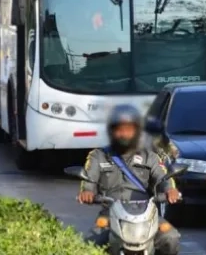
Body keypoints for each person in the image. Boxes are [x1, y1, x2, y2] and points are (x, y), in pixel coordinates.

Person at [78, 104, 182, 254]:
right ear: (111, 131)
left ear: (137, 131)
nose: (124, 134)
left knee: (171, 238)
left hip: (147, 215)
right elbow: (88, 180)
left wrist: (170, 190)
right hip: (110, 214)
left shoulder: (150, 157)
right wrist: (87, 192)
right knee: (90, 242)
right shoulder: (97, 156)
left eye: (128, 129)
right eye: (119, 129)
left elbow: (163, 177)